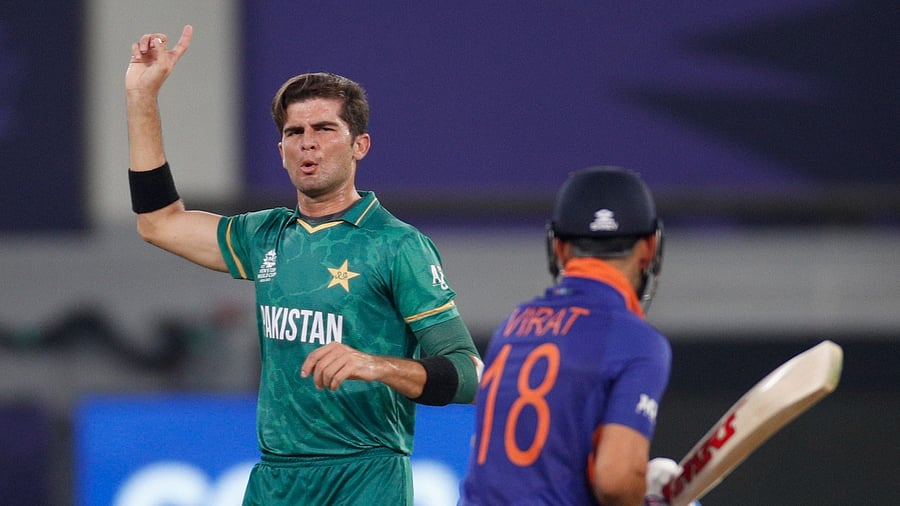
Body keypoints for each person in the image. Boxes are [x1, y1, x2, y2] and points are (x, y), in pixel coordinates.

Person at [125, 25, 482, 506]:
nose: (307, 143)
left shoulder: (397, 246)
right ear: (281, 151)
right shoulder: (265, 235)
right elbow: (158, 224)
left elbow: (469, 374)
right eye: (295, 132)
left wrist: (375, 365)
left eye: (324, 129)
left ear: (360, 146)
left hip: (365, 475)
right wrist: (142, 96)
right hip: (276, 479)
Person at [459, 166, 696, 505]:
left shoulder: (513, 326)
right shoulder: (638, 342)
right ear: (649, 247)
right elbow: (615, 482)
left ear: (558, 248)